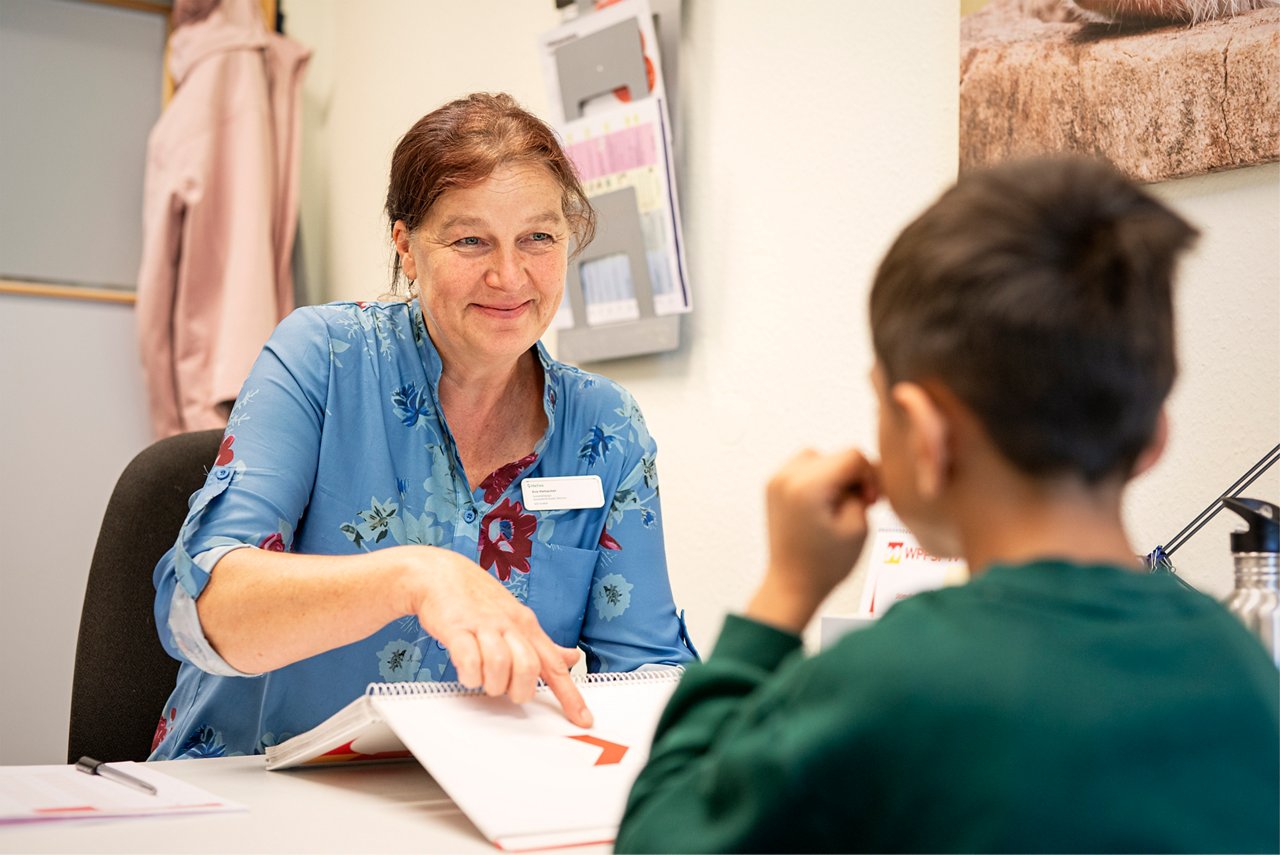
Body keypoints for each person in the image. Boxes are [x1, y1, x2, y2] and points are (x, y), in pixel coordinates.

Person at [616, 155, 1280, 853]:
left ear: (926, 437)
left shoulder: (889, 679)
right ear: (1153, 438)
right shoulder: (1240, 663)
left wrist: (783, 593)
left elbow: (659, 838)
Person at [149, 93, 696, 760]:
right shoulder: (322, 357)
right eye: (470, 240)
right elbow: (204, 610)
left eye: (539, 238)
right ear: (407, 247)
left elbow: (646, 677)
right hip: (251, 789)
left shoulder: (605, 428)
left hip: (469, 802)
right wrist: (414, 576)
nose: (509, 274)